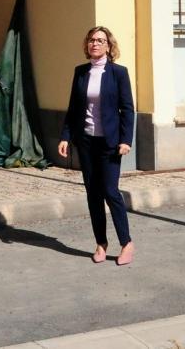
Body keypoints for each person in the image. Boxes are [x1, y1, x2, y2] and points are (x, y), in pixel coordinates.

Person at [58, 25, 136, 266]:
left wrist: (126, 140)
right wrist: (65, 136)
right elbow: (74, 108)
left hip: (110, 143)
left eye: (100, 40)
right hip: (86, 141)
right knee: (93, 194)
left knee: (110, 191)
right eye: (91, 40)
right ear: (87, 45)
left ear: (109, 46)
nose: (95, 44)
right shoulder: (80, 72)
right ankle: (101, 244)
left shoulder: (118, 73)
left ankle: (126, 243)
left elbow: (127, 109)